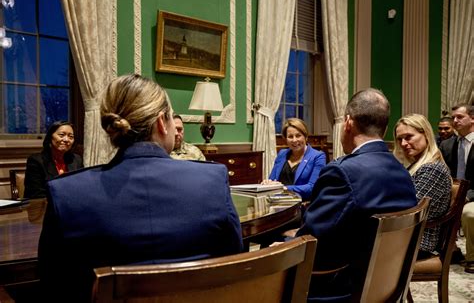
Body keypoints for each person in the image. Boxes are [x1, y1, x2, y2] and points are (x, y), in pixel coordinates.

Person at [38, 74, 243, 302]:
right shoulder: (212, 179)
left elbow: (53, 286)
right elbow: (233, 265)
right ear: (161, 123)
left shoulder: (67, 194)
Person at [295, 88, 417, 301]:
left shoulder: (342, 171)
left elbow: (313, 241)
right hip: (385, 285)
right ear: (385, 128)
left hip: (337, 289)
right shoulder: (402, 172)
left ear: (348, 123)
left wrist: (283, 249)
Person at [394, 113, 451, 258]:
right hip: (406, 235)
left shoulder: (432, 168)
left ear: (425, 134)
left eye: (408, 137)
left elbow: (413, 210)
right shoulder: (418, 165)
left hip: (418, 242)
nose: (403, 144)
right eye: (400, 139)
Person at [439, 103, 474, 274]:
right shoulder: (446, 145)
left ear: (472, 118)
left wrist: (465, 196)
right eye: (453, 117)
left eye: (459, 117)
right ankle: (451, 251)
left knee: (469, 213)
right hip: (452, 193)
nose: (455, 120)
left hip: (471, 196)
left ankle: (472, 257)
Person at [261, 118, 326, 200]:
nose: (294, 140)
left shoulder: (318, 156)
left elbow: (312, 187)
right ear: (286, 139)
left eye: (298, 135)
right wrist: (268, 183)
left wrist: (283, 188)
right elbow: (272, 179)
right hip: (277, 202)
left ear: (305, 137)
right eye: (290, 137)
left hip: (302, 205)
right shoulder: (282, 153)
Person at [24, 121, 83, 198]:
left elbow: (81, 187)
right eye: (62, 135)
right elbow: (36, 194)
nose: (66, 139)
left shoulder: (76, 160)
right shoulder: (36, 161)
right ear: (50, 137)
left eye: (71, 137)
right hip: (46, 207)